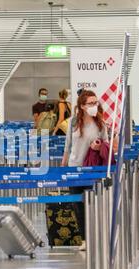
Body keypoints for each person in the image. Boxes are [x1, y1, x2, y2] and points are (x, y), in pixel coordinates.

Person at [62, 90, 108, 251]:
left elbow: (107, 145)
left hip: (92, 169)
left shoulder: (101, 124)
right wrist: (63, 166)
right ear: (82, 106)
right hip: (74, 168)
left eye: (96, 103)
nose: (94, 106)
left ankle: (96, 236)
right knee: (77, 205)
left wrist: (99, 146)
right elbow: (67, 146)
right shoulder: (73, 122)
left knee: (93, 204)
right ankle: (84, 239)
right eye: (90, 103)